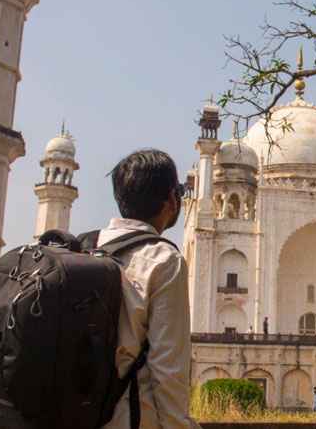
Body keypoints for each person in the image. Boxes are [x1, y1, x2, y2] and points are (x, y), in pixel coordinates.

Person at [99, 149, 200, 429]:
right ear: (172, 199)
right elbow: (168, 370)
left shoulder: (86, 247)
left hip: (74, 414)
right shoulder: (163, 259)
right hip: (125, 418)